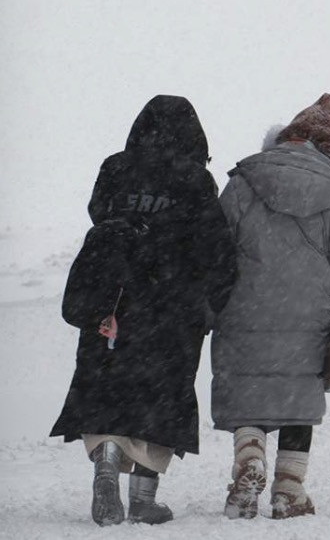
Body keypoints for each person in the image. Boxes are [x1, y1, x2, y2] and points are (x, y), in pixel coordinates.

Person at [51, 95, 239, 526]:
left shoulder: (114, 168)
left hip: (111, 302)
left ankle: (106, 460)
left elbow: (98, 214)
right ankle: (143, 498)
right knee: (164, 398)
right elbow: (216, 248)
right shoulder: (195, 179)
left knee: (108, 389)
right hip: (171, 307)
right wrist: (214, 302)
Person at [212, 93, 330, 520]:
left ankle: (250, 456)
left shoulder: (243, 181)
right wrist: (321, 286)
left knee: (249, 385)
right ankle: (289, 490)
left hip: (244, 305)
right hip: (307, 311)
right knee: (298, 392)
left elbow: (217, 245)